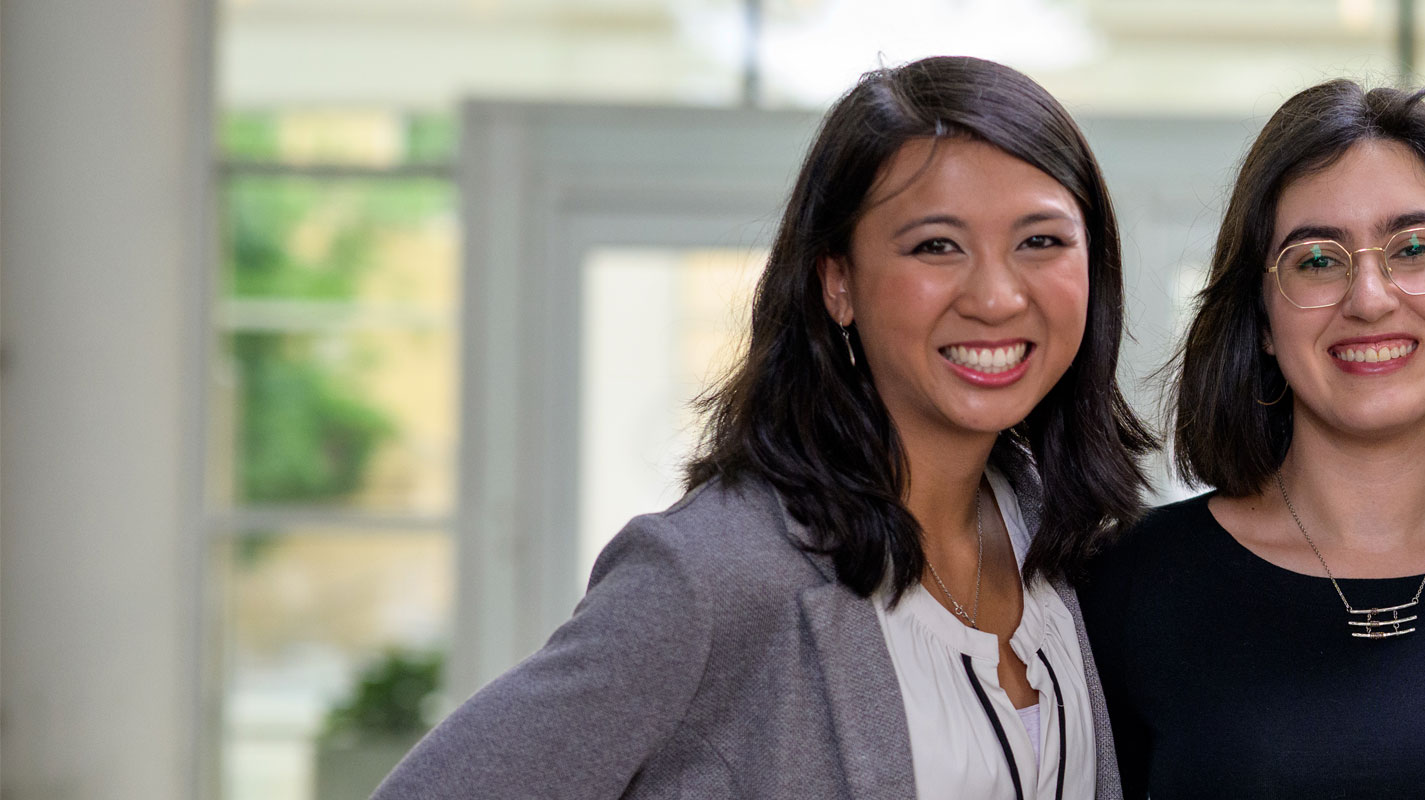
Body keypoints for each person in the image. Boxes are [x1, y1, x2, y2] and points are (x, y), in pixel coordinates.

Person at [375, 55, 1155, 799]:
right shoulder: (712, 576)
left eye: (1041, 241)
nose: (995, 295)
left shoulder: (1079, 547)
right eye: (936, 246)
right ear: (837, 283)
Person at [1077, 79, 1425, 799]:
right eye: (1317, 260)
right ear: (1263, 320)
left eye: (1414, 248)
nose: (1369, 298)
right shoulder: (1129, 585)